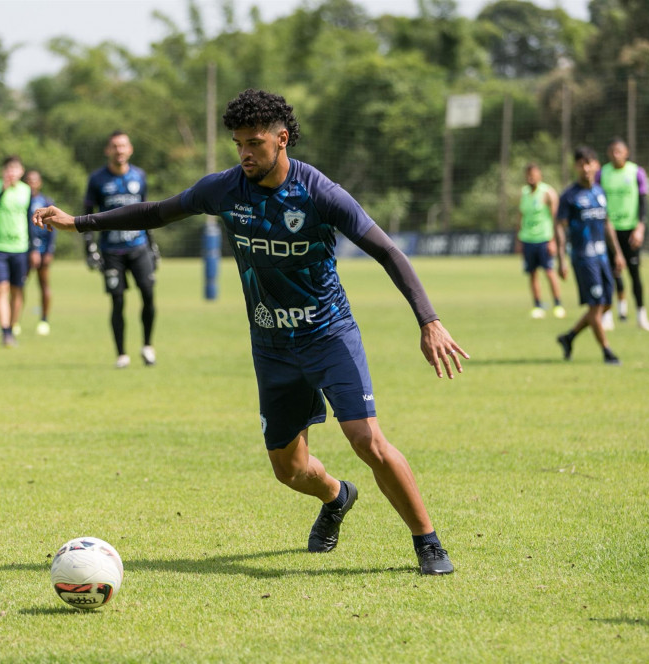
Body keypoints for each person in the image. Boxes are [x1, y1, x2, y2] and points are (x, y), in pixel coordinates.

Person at [35, 89, 469, 575]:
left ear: (282, 140)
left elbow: (388, 251)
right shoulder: (223, 190)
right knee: (289, 470)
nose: (244, 153)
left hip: (328, 333)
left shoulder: (319, 192)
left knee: (366, 439)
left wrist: (429, 320)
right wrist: (78, 222)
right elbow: (155, 212)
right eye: (238, 143)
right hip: (271, 347)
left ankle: (427, 542)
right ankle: (336, 496)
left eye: (255, 144)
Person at [83, 131, 158, 368]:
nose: (119, 150)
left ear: (130, 149)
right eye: (115, 146)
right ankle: (121, 354)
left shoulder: (140, 176)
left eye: (123, 146)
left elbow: (148, 214)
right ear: (108, 150)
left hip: (138, 247)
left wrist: (153, 245)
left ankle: (147, 346)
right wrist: (89, 247)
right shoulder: (97, 180)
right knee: (117, 301)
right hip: (111, 250)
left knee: (148, 293)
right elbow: (87, 214)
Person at [555, 146, 626, 366]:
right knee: (596, 306)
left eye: (589, 163)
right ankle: (607, 351)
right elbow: (559, 227)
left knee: (606, 304)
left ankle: (569, 337)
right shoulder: (569, 196)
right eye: (581, 164)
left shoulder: (599, 192)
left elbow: (607, 224)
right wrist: (561, 258)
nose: (586, 168)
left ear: (596, 165)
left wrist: (618, 253)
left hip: (603, 257)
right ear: (576, 167)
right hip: (584, 259)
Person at [597, 138, 649, 332]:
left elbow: (643, 202)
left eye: (619, 151)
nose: (615, 155)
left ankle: (641, 315)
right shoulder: (602, 173)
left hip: (630, 231)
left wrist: (640, 227)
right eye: (612, 151)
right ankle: (607, 316)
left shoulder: (636, 172)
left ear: (626, 152)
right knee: (609, 274)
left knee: (634, 274)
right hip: (608, 230)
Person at [0, 155, 32, 347]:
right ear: (4, 171)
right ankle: (5, 331)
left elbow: (30, 220)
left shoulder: (26, 191)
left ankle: (12, 327)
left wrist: (34, 249)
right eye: (8, 168)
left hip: (20, 248)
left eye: (15, 168)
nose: (11, 172)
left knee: (17, 290)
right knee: (1, 288)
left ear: (21, 171)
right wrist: (2, 191)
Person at [516, 163, 565, 319]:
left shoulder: (547, 192)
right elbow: (521, 216)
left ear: (540, 175)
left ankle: (558, 304)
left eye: (534, 174)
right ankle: (538, 305)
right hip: (528, 239)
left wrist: (553, 241)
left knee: (549, 272)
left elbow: (554, 218)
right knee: (532, 274)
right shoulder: (523, 193)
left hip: (544, 238)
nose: (531, 177)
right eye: (528, 174)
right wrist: (519, 238)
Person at [25, 169, 56, 336]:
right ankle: (14, 322)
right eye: (28, 180)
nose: (31, 183)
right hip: (25, 250)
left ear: (40, 182)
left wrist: (49, 250)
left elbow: (53, 227)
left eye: (34, 180)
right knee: (19, 285)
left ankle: (44, 320)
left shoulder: (46, 201)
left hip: (43, 251)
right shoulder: (21, 201)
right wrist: (32, 249)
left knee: (44, 284)